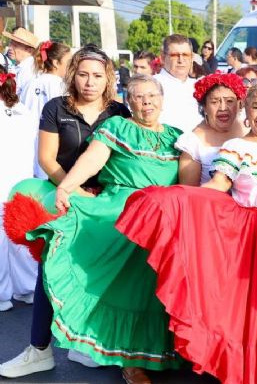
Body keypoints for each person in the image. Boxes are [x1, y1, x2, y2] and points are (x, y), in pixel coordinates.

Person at [116, 81, 257, 384]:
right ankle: (251, 363)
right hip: (250, 234)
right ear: (246, 110)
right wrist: (171, 200)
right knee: (252, 305)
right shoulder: (235, 147)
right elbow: (217, 187)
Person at [18, 75, 184, 384]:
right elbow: (92, 160)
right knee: (116, 278)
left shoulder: (178, 137)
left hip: (164, 221)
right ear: (128, 101)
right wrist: (67, 187)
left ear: (162, 99)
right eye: (137, 96)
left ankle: (151, 354)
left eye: (151, 95)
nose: (146, 101)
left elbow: (188, 185)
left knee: (155, 287)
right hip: (120, 212)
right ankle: (126, 361)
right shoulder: (117, 128)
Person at [0, 46, 132, 379]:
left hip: (104, 204)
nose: (90, 82)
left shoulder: (120, 112)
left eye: (98, 76)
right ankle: (39, 349)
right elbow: (47, 158)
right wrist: (72, 188)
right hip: (63, 198)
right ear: (73, 75)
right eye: (84, 74)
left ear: (108, 79)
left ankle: (82, 343)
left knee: (92, 274)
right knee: (51, 270)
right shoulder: (55, 108)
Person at [0, 67, 37, 314]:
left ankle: (3, 293)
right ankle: (27, 287)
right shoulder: (25, 111)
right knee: (19, 234)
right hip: (22, 179)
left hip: (4, 177)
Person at [176, 73, 247, 186]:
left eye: (229, 101)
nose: (223, 108)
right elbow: (190, 191)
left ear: (239, 104)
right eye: (214, 102)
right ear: (204, 107)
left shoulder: (249, 130)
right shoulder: (192, 142)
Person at [21, 41, 71, 178]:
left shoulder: (29, 84)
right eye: (68, 62)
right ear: (55, 62)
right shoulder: (61, 86)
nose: (71, 66)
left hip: (28, 146)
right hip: (50, 147)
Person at [154, 34, 200, 133]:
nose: (181, 60)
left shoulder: (198, 86)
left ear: (192, 58)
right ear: (162, 57)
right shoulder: (150, 85)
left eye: (185, 55)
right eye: (175, 55)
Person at [2, 27, 40, 98]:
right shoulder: (20, 66)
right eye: (10, 44)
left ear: (29, 50)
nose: (10, 48)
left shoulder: (29, 70)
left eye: (15, 46)